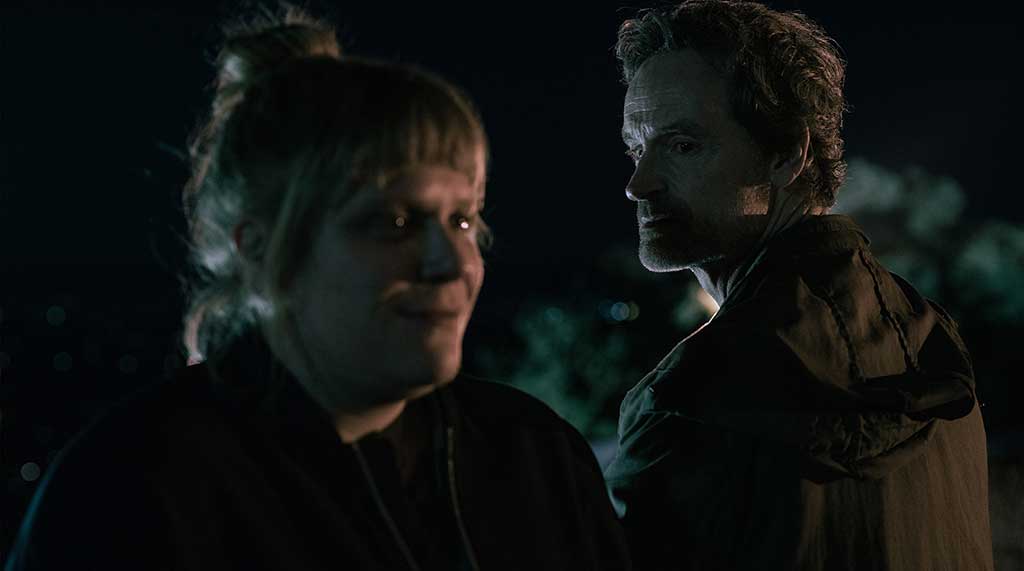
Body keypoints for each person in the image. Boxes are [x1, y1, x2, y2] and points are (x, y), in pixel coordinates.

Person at [5, 8, 630, 571]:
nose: (452, 263)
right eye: (397, 222)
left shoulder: (535, 457)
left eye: (463, 219)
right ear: (262, 248)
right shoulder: (131, 489)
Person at [603, 1, 993, 570]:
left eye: (683, 145)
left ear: (787, 153)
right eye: (638, 149)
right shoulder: (933, 346)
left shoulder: (689, 400)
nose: (638, 184)